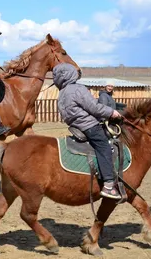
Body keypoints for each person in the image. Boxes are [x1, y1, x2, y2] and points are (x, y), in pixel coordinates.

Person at [53, 63, 123, 200]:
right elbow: (94, 107)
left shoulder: (62, 93)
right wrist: (112, 112)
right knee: (104, 147)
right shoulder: (77, 89)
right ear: (71, 74)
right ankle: (108, 185)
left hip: (76, 125)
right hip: (89, 125)